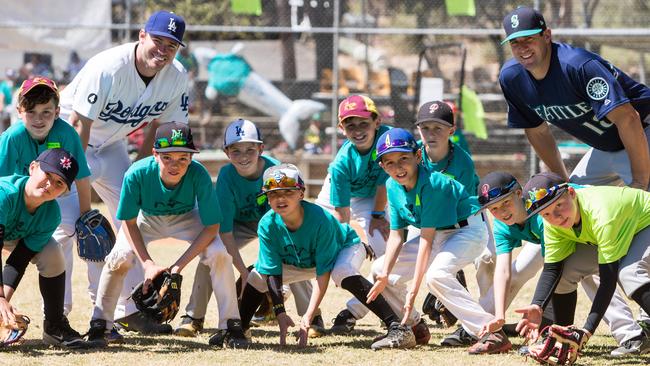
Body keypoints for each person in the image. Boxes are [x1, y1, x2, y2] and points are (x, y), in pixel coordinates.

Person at [57, 9, 190, 333]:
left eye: (171, 45)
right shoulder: (109, 67)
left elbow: (164, 129)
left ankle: (126, 308)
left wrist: (144, 174)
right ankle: (56, 316)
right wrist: (82, 191)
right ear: (141, 35)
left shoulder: (175, 76)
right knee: (65, 229)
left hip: (113, 146)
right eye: (157, 40)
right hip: (69, 143)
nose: (163, 50)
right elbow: (79, 126)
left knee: (132, 220)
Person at [86, 122, 248, 348]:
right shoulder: (137, 173)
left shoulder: (198, 174)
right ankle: (101, 324)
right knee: (119, 256)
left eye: (183, 157)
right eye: (167, 157)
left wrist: (177, 267)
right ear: (154, 154)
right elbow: (129, 223)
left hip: (187, 217)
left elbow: (211, 227)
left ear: (191, 158)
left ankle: (230, 325)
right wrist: (148, 264)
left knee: (220, 253)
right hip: (147, 219)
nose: (176, 164)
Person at [237, 163, 416, 349]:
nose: (281, 198)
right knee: (257, 275)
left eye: (288, 192)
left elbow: (323, 276)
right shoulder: (267, 224)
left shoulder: (319, 219)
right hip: (305, 262)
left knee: (341, 271)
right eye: (273, 193)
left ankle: (397, 327)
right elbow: (272, 271)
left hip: (345, 247)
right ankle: (239, 330)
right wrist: (280, 312)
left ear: (301, 193)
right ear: (266, 197)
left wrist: (309, 316)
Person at [474, 172, 649, 356]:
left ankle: (630, 335)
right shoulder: (550, 221)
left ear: (572, 193)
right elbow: (552, 269)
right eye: (547, 213)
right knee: (566, 273)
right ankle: (562, 339)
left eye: (558, 205)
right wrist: (537, 305)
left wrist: (587, 331)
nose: (555, 215)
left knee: (628, 273)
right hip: (610, 229)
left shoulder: (599, 213)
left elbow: (607, 280)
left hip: (641, 223)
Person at [176, 118, 322, 338]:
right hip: (240, 224)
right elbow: (224, 232)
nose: (243, 156)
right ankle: (194, 316)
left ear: (261, 149)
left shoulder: (274, 171)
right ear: (226, 152)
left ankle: (311, 317)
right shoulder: (226, 175)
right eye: (236, 151)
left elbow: (278, 224)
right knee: (212, 253)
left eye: (250, 150)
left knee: (293, 254)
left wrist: (261, 278)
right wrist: (245, 274)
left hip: (276, 222)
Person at [365, 128, 505, 353]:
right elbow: (396, 235)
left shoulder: (432, 183)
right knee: (379, 270)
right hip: (438, 233)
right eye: (389, 162)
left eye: (403, 158)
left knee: (436, 276)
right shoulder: (392, 186)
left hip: (467, 230)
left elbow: (426, 242)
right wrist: (385, 275)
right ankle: (412, 326)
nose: (397, 167)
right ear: (381, 166)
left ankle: (490, 331)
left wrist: (414, 290)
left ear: (418, 156)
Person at [499, 6, 650, 190]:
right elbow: (537, 132)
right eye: (514, 42)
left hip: (642, 132)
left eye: (529, 39)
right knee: (574, 201)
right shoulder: (512, 78)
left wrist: (641, 182)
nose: (522, 48)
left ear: (546, 36)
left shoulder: (578, 66)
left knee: (643, 205)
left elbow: (628, 118)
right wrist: (562, 182)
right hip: (606, 148)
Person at [315, 95, 396, 336]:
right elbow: (341, 212)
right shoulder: (341, 163)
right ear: (342, 128)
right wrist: (352, 239)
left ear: (377, 121)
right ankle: (293, 301)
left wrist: (378, 215)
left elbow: (384, 184)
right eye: (350, 125)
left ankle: (381, 310)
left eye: (363, 123)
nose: (358, 130)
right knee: (311, 237)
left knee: (386, 250)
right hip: (338, 194)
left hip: (374, 196)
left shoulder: (387, 139)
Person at [414, 100, 494, 330]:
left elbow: (458, 206)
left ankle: (483, 324)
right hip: (429, 221)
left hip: (468, 217)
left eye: (438, 127)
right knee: (432, 271)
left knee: (488, 259)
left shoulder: (462, 162)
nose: (431, 133)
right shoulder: (413, 155)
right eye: (425, 127)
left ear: (451, 130)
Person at [0, 148, 87, 348]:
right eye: (47, 174)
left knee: (51, 252)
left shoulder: (50, 215)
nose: (50, 184)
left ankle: (54, 325)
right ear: (32, 167)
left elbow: (18, 260)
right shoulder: (5, 194)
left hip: (10, 233)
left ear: (65, 190)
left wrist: (2, 308)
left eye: (59, 183)